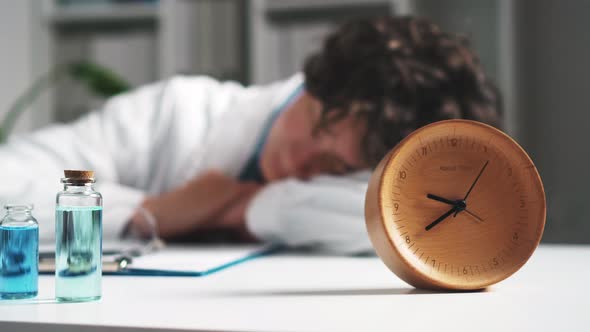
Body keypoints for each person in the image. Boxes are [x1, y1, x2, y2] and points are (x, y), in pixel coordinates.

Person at [0, 16, 501, 254]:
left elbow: (433, 225)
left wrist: (260, 207)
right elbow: (8, 187)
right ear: (311, 81)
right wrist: (147, 212)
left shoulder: (387, 172)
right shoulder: (176, 111)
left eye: (337, 169)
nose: (306, 162)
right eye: (319, 126)